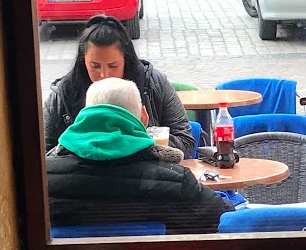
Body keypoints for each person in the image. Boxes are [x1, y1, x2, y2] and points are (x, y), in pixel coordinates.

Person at [46, 78, 225, 234]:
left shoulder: (42, 180)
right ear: (144, 117)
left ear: (84, 117)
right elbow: (224, 221)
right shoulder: (178, 182)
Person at [43, 15, 195, 157]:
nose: (104, 75)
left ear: (126, 60)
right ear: (83, 62)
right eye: (95, 66)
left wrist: (139, 138)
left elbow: (185, 141)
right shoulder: (63, 94)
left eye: (113, 66)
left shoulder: (153, 84)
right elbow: (42, 154)